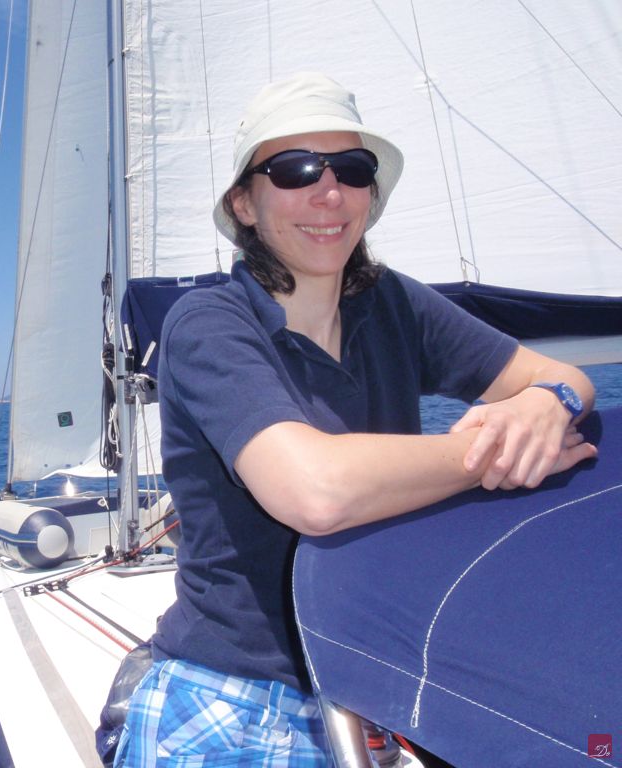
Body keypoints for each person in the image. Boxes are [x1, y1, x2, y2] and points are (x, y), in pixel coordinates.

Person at [112, 72, 597, 767]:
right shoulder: (209, 323)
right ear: (244, 203)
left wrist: (550, 404)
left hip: (380, 693)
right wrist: (495, 450)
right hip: (236, 701)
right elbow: (315, 492)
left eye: (352, 169)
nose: (329, 191)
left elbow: (565, 378)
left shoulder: (393, 305)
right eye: (294, 170)